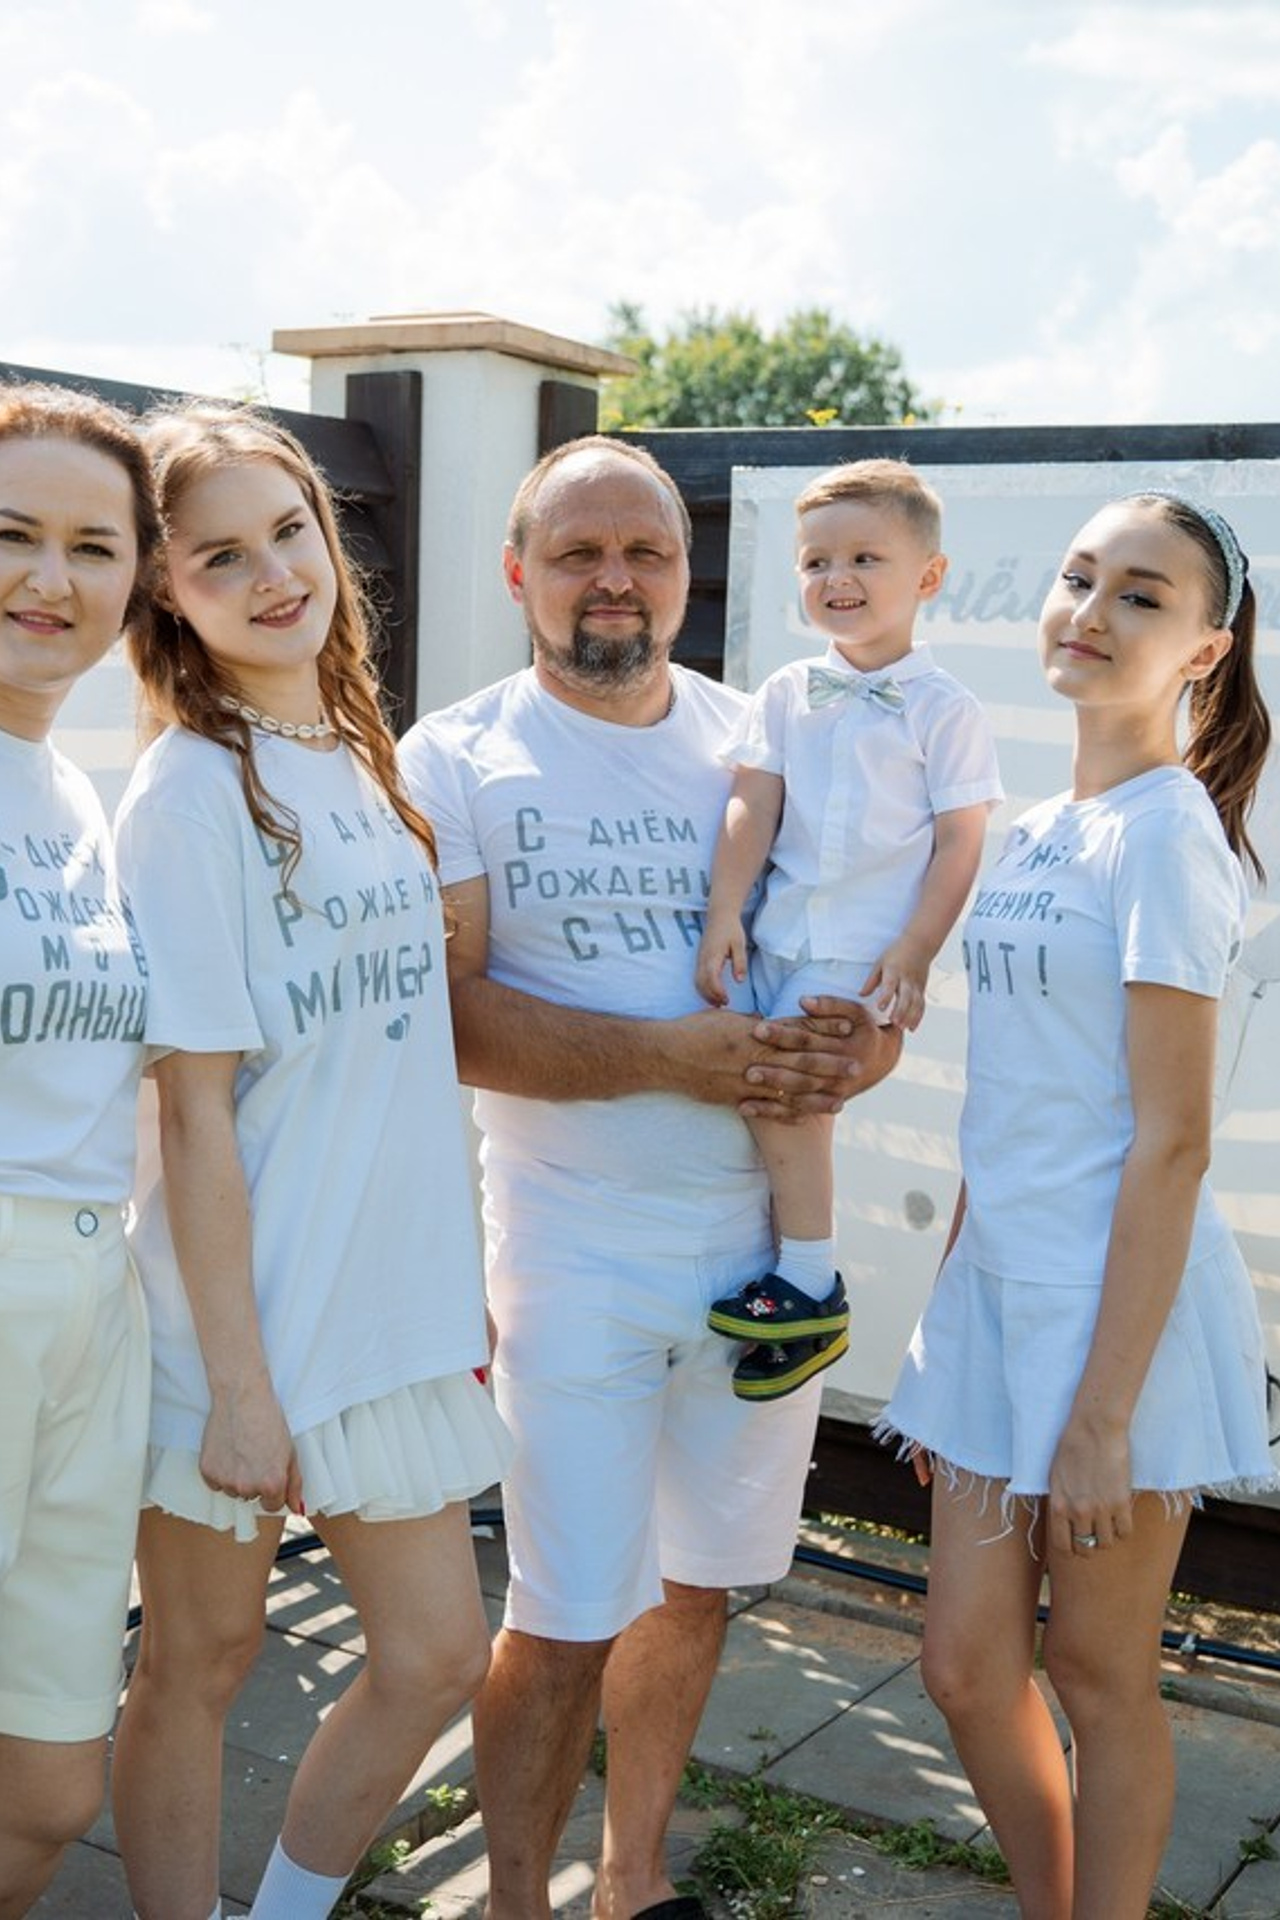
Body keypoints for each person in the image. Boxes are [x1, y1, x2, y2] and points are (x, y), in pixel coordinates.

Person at [397, 433, 903, 1920]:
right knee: (561, 1613)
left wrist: (847, 1054)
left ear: (687, 576)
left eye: (646, 554)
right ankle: (513, 1902)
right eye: (577, 554)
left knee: (696, 1590)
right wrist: (676, 1059)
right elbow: (454, 1013)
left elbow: (856, 975)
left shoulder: (774, 736)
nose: (614, 581)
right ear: (519, 576)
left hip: (761, 1252)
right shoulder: (455, 754)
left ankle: (631, 1880)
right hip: (571, 1256)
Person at [110, 404, 512, 1920]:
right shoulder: (189, 793)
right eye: (221, 554)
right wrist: (235, 1386)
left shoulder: (359, 748)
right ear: (167, 592)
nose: (274, 573)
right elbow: (196, 1113)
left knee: (433, 1657)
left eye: (290, 532)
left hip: (383, 1310)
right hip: (235, 1323)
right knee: (201, 1664)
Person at [880, 491, 1277, 1919]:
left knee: (1103, 1678)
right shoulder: (1043, 828)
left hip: (1121, 1325)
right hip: (998, 1307)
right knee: (966, 1669)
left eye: (1143, 597)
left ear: (1207, 651)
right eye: (1080, 579)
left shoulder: (1170, 837)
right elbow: (1016, 1101)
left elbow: (1173, 1146)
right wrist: (948, 1335)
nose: (1094, 614)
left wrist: (1104, 1412)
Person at [695, 460, 1001, 1399]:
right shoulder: (788, 691)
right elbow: (753, 803)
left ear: (929, 578)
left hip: (859, 951)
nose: (837, 577)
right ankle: (782, 1278)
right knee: (741, 1091)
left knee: (791, 1096)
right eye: (816, 559)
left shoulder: (945, 708)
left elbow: (960, 843)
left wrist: (912, 953)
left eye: (866, 556)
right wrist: (723, 914)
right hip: (779, 930)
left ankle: (810, 1281)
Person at [0, 382, 158, 1915]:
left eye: (90, 546)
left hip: (88, 1301)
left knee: (49, 1790)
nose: (50, 580)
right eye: (12, 535)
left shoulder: (79, 797)